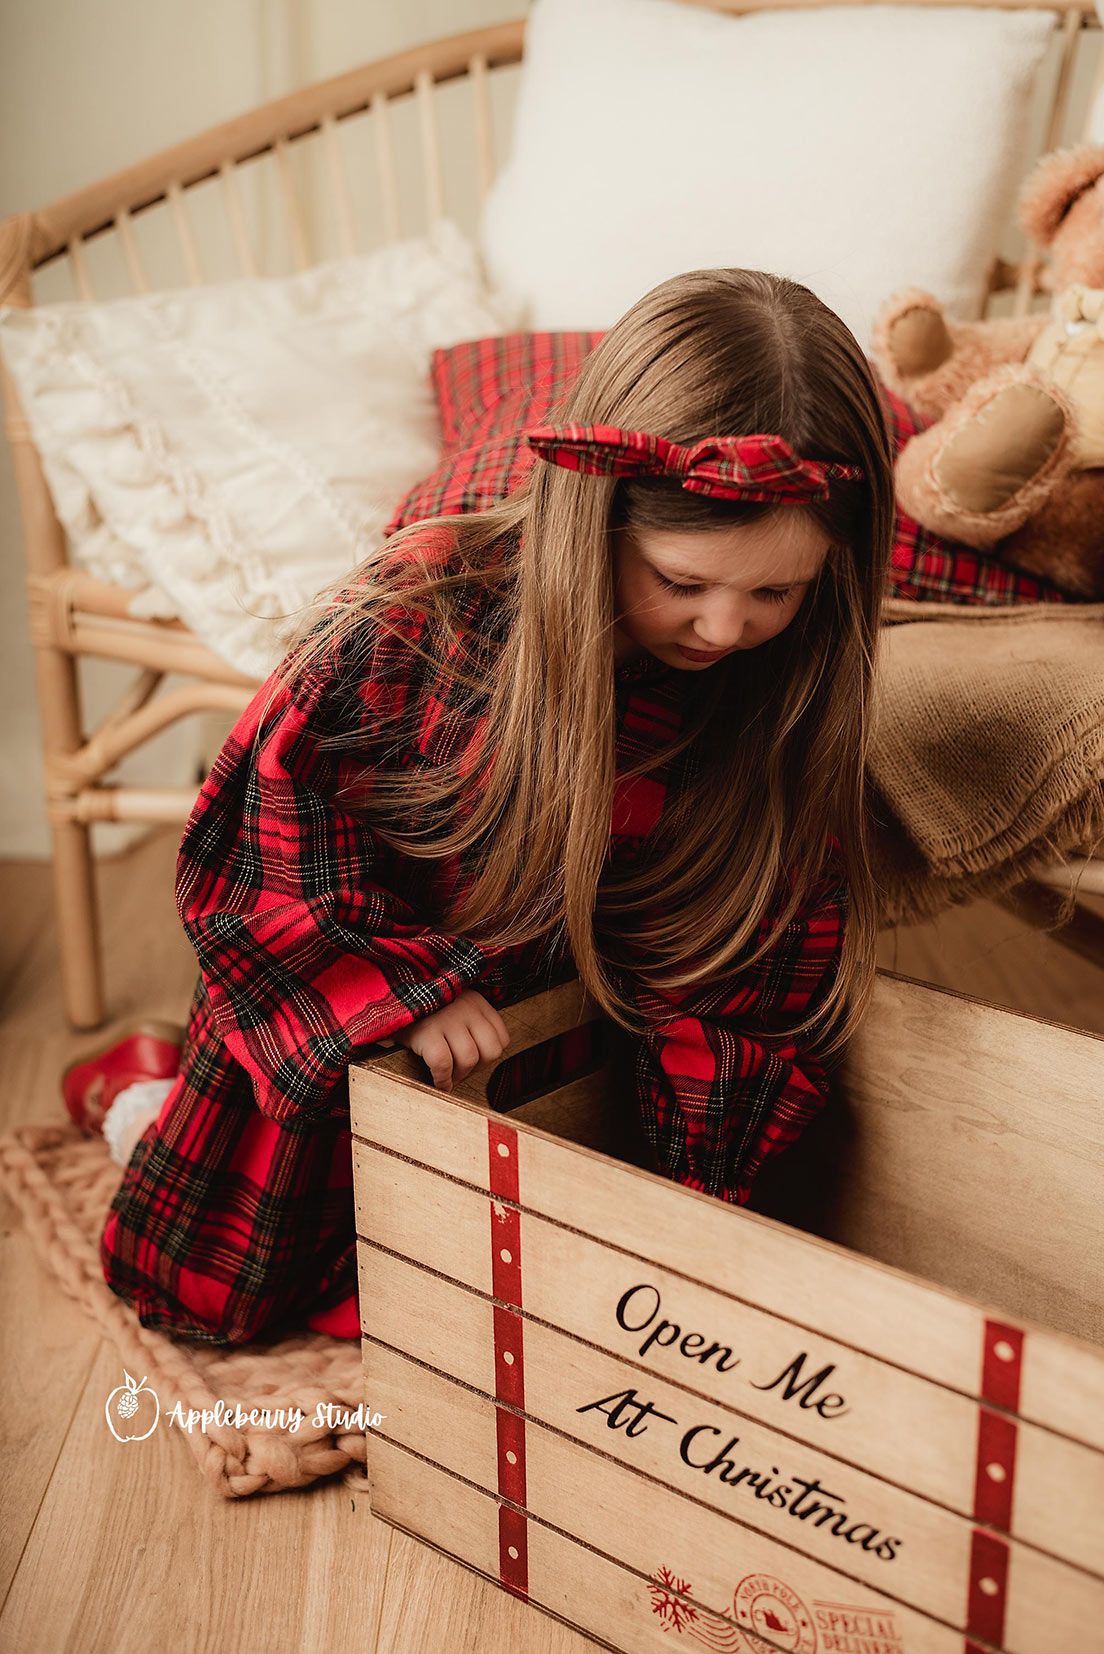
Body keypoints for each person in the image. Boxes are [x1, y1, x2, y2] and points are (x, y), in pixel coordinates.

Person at [63, 266, 894, 1347]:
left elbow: (755, 955)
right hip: (371, 1005)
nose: (725, 630)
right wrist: (397, 986)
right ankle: (137, 1099)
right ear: (598, 520)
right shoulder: (430, 609)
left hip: (552, 1032)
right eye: (683, 583)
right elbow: (258, 835)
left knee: (494, 1307)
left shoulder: (778, 693)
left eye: (772, 594)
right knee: (214, 1299)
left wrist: (700, 1182)